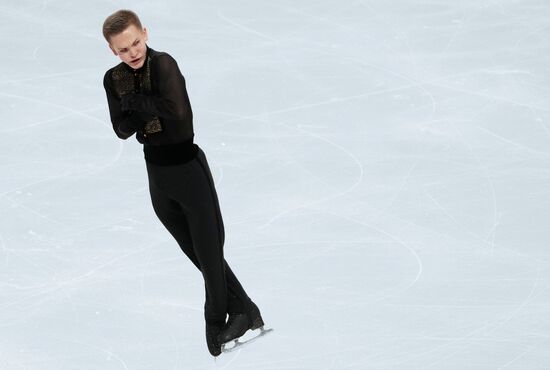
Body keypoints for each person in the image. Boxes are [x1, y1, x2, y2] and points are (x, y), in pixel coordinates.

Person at [101, 9, 264, 357]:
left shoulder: (163, 65)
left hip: (188, 168)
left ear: (145, 33)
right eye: (123, 49)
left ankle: (216, 320)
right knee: (197, 254)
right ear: (113, 51)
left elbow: (177, 113)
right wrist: (138, 107)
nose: (133, 52)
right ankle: (245, 309)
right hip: (157, 177)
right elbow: (122, 129)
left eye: (136, 42)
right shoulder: (112, 79)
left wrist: (136, 103)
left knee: (209, 249)